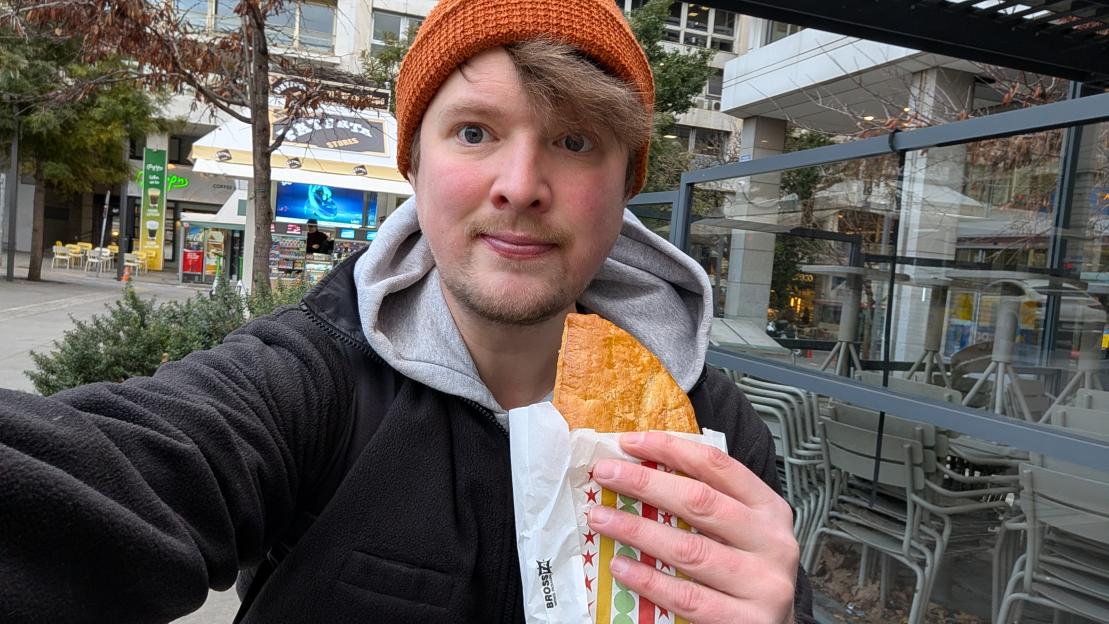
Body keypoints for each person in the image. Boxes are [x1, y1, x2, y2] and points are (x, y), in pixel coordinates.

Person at [0, 1, 814, 622]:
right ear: (414, 168)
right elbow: (106, 476)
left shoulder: (709, 436)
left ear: (623, 187)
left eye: (575, 142)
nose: (520, 184)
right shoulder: (310, 384)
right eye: (473, 131)